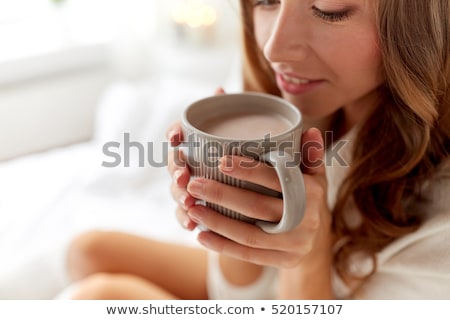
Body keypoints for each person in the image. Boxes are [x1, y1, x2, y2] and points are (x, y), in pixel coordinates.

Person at [61, 0, 450, 299]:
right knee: (87, 251)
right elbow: (236, 295)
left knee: (98, 297)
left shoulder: (440, 228)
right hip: (269, 288)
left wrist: (306, 252)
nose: (274, 49)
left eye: (328, 10)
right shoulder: (292, 92)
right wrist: (225, 213)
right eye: (265, 0)